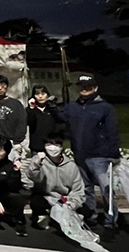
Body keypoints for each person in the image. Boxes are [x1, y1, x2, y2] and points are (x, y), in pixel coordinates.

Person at [49, 75, 120, 230]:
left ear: (95, 88)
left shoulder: (105, 107)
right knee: (86, 189)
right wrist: (52, 106)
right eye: (81, 86)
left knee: (105, 190)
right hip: (80, 154)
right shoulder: (73, 106)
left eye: (88, 86)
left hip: (100, 155)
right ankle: (91, 216)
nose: (84, 89)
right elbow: (61, 118)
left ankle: (111, 220)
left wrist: (113, 155)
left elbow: (112, 132)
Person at [27, 134, 85, 230]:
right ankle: (43, 217)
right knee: (36, 201)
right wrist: (36, 163)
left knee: (85, 210)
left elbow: (78, 190)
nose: (52, 148)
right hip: (46, 196)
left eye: (56, 145)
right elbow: (33, 176)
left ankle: (64, 218)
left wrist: (72, 203)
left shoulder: (71, 166)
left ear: (61, 147)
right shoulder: (40, 161)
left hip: (64, 198)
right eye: (49, 144)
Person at [26, 85, 57, 155]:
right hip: (37, 147)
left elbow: (59, 122)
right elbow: (29, 121)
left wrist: (53, 106)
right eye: (37, 94)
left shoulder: (52, 108)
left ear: (47, 95)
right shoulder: (30, 110)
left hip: (52, 145)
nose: (40, 97)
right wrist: (31, 108)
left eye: (43, 94)